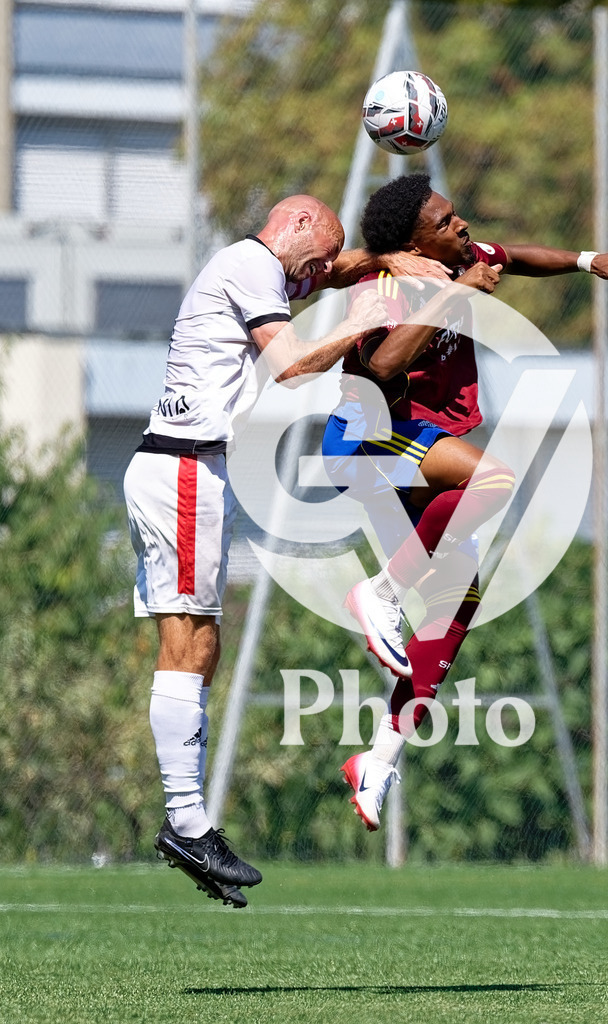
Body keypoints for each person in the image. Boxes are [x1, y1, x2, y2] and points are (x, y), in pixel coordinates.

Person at [124, 194, 447, 907]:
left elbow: (328, 276)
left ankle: (189, 821)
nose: (327, 269)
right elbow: (294, 367)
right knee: (188, 646)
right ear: (295, 224)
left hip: (192, 470)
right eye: (322, 252)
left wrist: (383, 258)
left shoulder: (271, 270)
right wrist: (359, 323)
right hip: (184, 468)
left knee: (198, 644)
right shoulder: (248, 264)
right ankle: (185, 822)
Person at [322, 173, 608, 832]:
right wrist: (455, 295)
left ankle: (377, 759)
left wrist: (585, 262)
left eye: (458, 216)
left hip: (417, 444)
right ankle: (379, 594)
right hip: (368, 434)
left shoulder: (465, 260)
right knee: (492, 480)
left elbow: (515, 256)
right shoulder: (391, 285)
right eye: (445, 222)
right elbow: (380, 368)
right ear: (413, 242)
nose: (462, 227)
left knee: (452, 609)